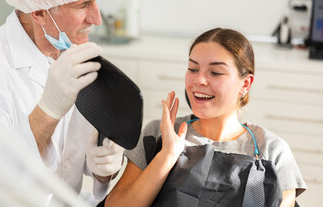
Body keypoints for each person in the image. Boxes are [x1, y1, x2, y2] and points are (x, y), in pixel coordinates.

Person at [0, 0, 125, 204]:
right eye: (83, 5)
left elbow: (72, 162)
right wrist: (47, 113)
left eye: (95, 1)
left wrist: (104, 168)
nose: (97, 19)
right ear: (39, 12)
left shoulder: (74, 53)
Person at [105, 28, 306, 206]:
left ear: (245, 84)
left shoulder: (272, 151)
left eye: (216, 73)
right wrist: (166, 155)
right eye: (193, 69)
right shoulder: (157, 134)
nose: (199, 80)